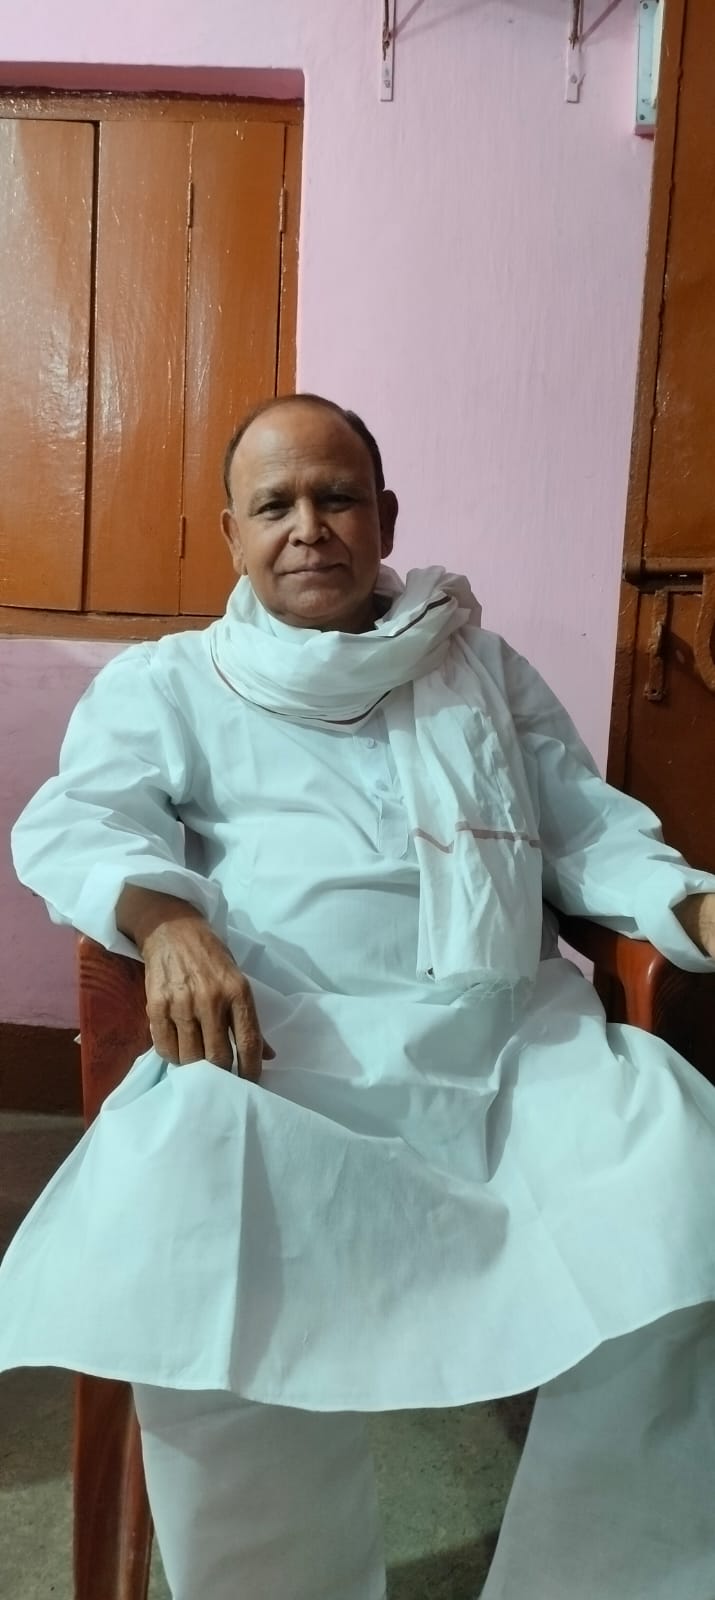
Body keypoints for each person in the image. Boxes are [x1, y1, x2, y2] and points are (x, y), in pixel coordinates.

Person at [2, 392, 715, 1600]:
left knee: (685, 1201)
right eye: (274, 504)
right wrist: (166, 920)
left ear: (384, 515)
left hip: (512, 1055)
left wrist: (688, 906)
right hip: (285, 1058)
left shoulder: (478, 663)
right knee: (189, 1233)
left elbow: (584, 828)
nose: (307, 527)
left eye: (335, 498)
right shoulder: (171, 682)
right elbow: (81, 822)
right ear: (230, 532)